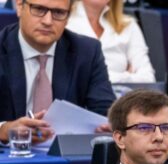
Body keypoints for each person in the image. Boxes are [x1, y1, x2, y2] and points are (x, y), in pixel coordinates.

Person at [0, 0, 115, 144]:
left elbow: (106, 110)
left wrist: (110, 125)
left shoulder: (87, 52)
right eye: (39, 9)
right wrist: (4, 129)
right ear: (19, 6)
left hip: (68, 156)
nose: (48, 21)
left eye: (58, 13)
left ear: (68, 16)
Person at [66, 0, 156, 83]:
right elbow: (63, 76)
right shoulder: (64, 22)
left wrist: (119, 78)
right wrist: (127, 76)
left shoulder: (128, 26)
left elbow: (148, 79)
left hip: (120, 99)